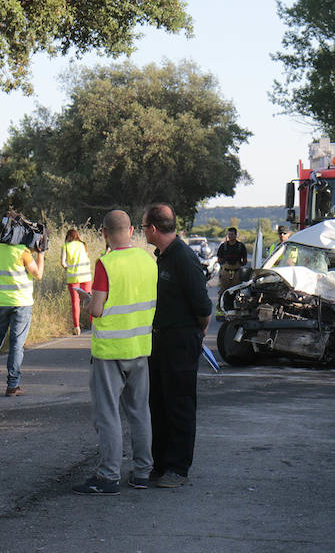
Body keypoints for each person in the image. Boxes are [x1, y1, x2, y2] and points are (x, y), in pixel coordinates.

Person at [72, 210, 157, 495]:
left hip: (110, 351)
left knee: (108, 414)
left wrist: (86, 301)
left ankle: (108, 476)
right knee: (139, 411)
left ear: (104, 234)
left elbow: (97, 310)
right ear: (132, 230)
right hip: (140, 348)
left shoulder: (105, 264)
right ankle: (143, 472)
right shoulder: (149, 261)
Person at [143, 203, 213, 488]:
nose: (144, 230)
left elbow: (203, 306)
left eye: (145, 225)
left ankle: (178, 468)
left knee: (179, 404)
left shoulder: (183, 257)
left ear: (153, 228)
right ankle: (160, 465)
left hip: (181, 340)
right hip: (160, 340)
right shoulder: (162, 256)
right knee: (158, 404)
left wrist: (197, 333)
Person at [0, 212, 45, 397]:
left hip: (0, 302)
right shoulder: (22, 253)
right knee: (16, 345)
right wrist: (41, 254)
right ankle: (12, 386)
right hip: (21, 303)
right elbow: (38, 274)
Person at [62, 228, 92, 335]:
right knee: (89, 299)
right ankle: (95, 324)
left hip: (73, 277)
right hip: (86, 275)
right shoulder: (83, 244)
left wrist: (68, 268)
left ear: (69, 237)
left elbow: (63, 263)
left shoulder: (66, 246)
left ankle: (77, 327)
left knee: (75, 302)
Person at [217, 227, 247, 295]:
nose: (230, 236)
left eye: (232, 234)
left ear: (236, 235)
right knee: (223, 292)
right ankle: (220, 304)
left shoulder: (240, 246)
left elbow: (245, 260)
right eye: (229, 234)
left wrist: (239, 264)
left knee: (236, 291)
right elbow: (219, 259)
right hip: (225, 272)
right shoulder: (223, 246)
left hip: (236, 273)